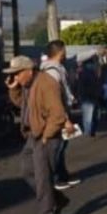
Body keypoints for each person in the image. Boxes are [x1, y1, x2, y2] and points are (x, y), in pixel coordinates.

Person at [6, 55, 69, 214]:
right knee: (27, 170)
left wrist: (46, 136)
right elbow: (23, 105)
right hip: (33, 135)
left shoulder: (46, 83)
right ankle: (56, 199)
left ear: (29, 70)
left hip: (44, 136)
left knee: (42, 178)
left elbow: (57, 114)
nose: (15, 77)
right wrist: (14, 90)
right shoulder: (28, 85)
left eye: (17, 73)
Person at [40, 41, 79, 190]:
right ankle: (56, 178)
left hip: (61, 108)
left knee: (62, 144)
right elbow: (54, 96)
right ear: (60, 51)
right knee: (57, 146)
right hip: (58, 111)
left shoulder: (53, 68)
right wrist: (65, 118)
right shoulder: (53, 71)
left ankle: (63, 175)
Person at [77, 56, 101, 137]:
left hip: (90, 97)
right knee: (89, 117)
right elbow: (82, 86)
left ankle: (89, 131)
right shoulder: (87, 73)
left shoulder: (90, 73)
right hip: (88, 97)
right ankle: (88, 132)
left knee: (91, 116)